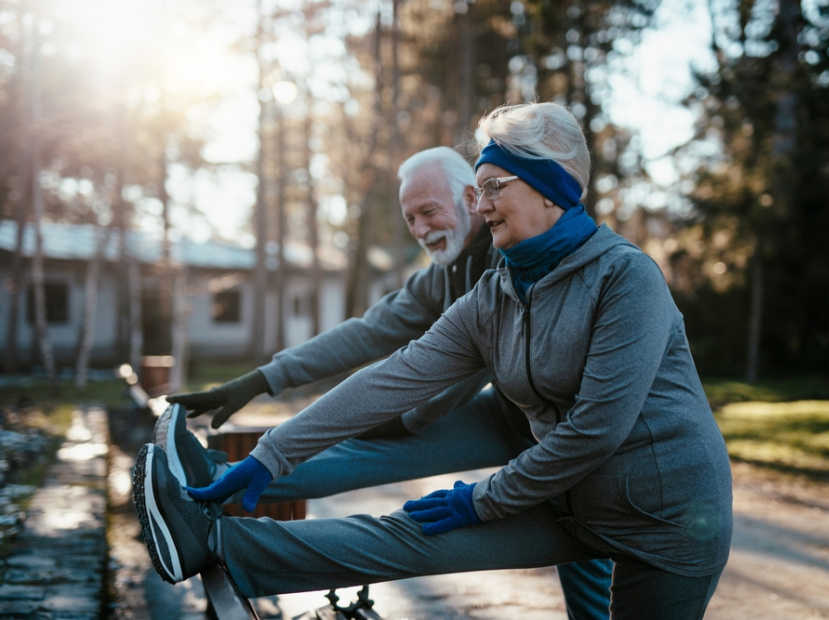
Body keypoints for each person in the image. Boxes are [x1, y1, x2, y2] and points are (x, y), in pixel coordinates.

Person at [135, 102, 733, 619]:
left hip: (666, 519)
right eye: (480, 188)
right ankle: (214, 541)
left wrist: (480, 499)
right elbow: (394, 375)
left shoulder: (626, 279)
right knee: (411, 532)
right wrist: (269, 455)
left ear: (550, 188)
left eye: (496, 186)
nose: (484, 202)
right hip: (568, 498)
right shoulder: (496, 291)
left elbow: (596, 430)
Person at [160, 145, 613, 619]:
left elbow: (455, 374)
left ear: (468, 197)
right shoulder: (443, 273)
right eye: (410, 218)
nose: (420, 231)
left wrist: (405, 417)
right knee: (368, 445)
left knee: (584, 563)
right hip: (510, 412)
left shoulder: (511, 260)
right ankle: (209, 486)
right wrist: (262, 379)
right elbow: (367, 331)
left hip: (570, 440)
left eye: (428, 212)